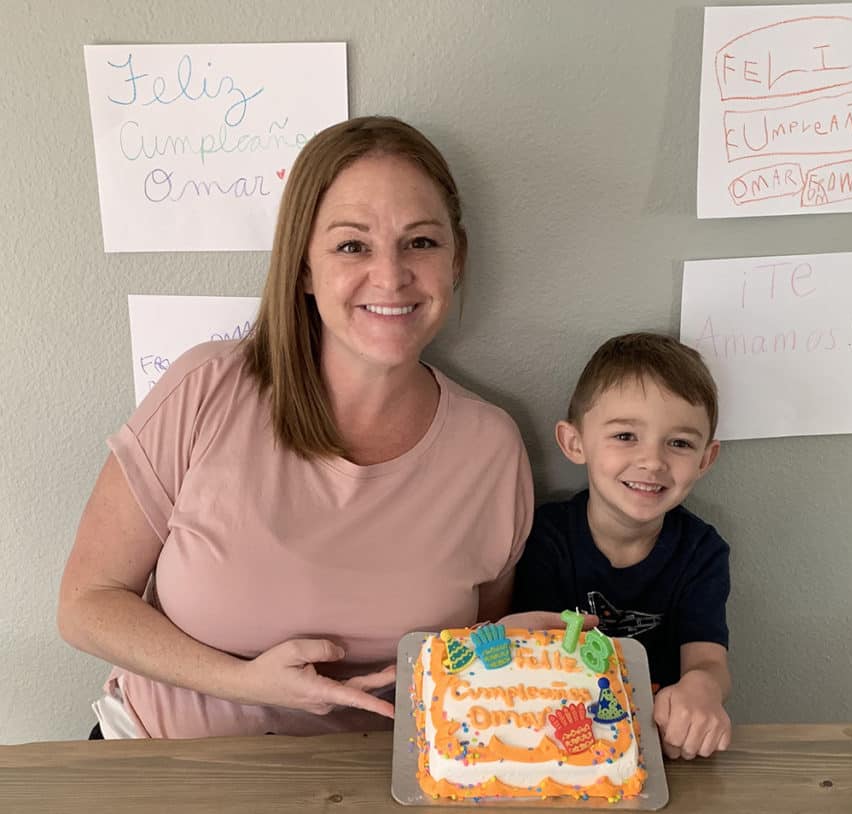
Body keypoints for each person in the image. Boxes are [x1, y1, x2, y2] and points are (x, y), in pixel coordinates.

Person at [57, 116, 541, 739]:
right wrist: (244, 682)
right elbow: (85, 604)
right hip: (162, 764)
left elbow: (472, 663)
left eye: (420, 242)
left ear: (457, 260)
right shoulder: (205, 389)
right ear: (305, 268)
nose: (391, 276)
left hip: (373, 785)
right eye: (351, 246)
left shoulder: (493, 448)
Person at [512, 332, 732, 760]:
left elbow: (709, 661)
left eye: (680, 443)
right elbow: (528, 656)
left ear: (706, 459)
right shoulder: (544, 537)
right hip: (557, 746)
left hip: (657, 748)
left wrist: (701, 692)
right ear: (575, 443)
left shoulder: (702, 552)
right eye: (626, 436)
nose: (653, 460)